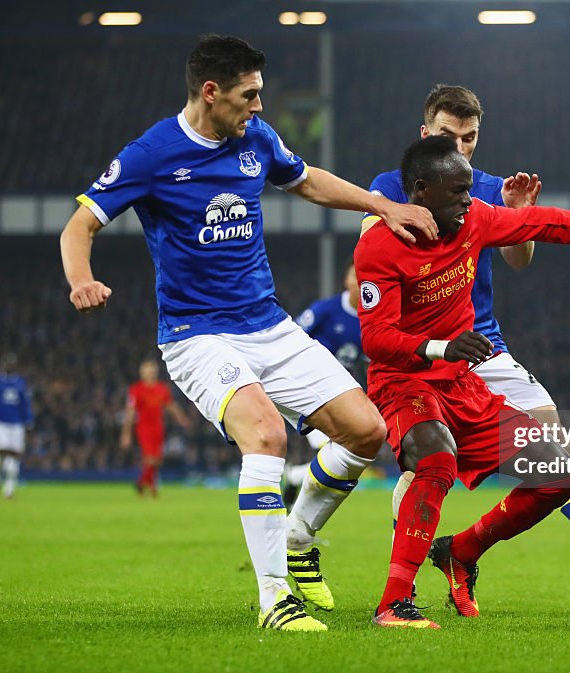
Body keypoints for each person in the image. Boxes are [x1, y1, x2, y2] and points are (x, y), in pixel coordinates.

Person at [59, 34, 437, 632]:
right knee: (265, 436)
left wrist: (382, 206)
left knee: (366, 431)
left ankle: (298, 537)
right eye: (248, 95)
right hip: (196, 333)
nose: (259, 106)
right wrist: (82, 279)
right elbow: (79, 224)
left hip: (267, 322)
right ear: (211, 93)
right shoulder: (151, 154)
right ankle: (274, 600)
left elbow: (307, 179)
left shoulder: (254, 138)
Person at [362, 84, 570, 605]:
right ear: (418, 187)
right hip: (411, 365)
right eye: (450, 139)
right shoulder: (383, 212)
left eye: (471, 140)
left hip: (477, 355)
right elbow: (377, 332)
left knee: (556, 461)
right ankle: (384, 587)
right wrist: (438, 346)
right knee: (421, 460)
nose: (469, 195)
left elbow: (548, 225)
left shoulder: (478, 206)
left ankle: (473, 552)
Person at [283, 263, 365, 507]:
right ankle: (298, 524)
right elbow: (291, 336)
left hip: (339, 393)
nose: (361, 284)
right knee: (333, 448)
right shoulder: (325, 310)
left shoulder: (370, 320)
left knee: (346, 451)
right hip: (308, 389)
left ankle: (296, 477)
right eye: (356, 277)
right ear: (347, 281)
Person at [120, 359, 192, 496]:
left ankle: (145, 484)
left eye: (153, 370)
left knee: (157, 460)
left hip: (158, 427)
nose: (150, 373)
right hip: (144, 427)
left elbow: (171, 406)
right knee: (150, 458)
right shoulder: (136, 389)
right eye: (147, 370)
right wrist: (126, 433)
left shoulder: (162, 389)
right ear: (142, 373)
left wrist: (182, 419)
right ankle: (146, 485)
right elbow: (130, 412)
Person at [0, 353, 33, 500]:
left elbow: (25, 404)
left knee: (15, 455)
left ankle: (9, 490)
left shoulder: (21, 383)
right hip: (0, 423)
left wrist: (28, 420)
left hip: (17, 424)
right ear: (2, 365)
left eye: (12, 363)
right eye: (6, 363)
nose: (9, 366)